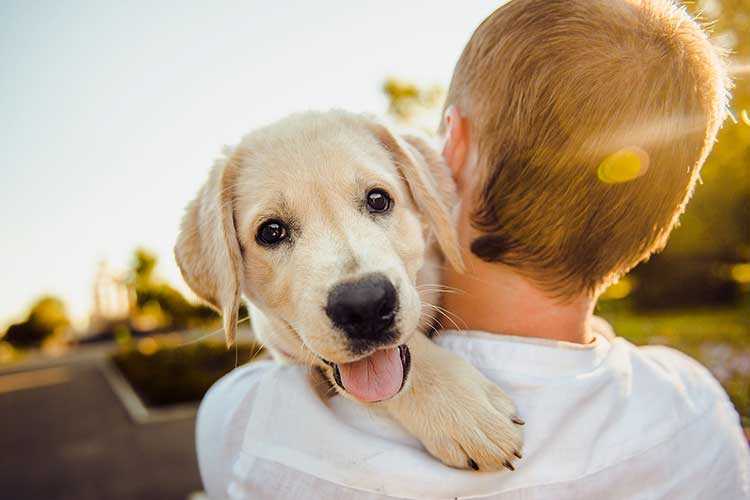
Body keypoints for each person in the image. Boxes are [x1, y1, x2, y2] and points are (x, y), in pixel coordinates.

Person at [196, 0, 750, 498]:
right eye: (273, 233)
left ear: (448, 154)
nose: (358, 282)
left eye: (376, 200)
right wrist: (418, 379)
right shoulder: (697, 414)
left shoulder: (248, 426)